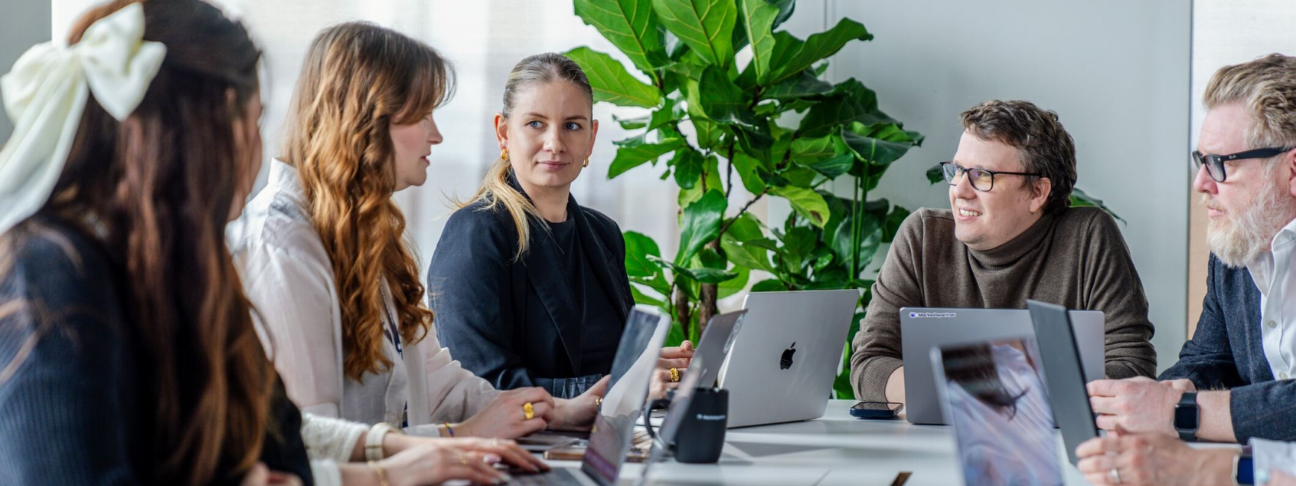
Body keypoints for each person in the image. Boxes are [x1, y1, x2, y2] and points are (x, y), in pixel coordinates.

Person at [233, 23, 601, 446]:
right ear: (367, 118)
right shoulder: (282, 244)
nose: (436, 134)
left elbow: (441, 385)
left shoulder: (365, 232)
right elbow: (310, 443)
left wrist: (554, 413)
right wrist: (458, 436)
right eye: (423, 114)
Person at [0, 1, 307, 483]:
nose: (259, 149)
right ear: (215, 121)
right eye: (256, 121)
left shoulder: (187, 266)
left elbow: (285, 450)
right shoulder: (48, 272)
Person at [1075, 53, 1296, 485]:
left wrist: (1181, 413)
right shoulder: (1239, 245)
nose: (1201, 183)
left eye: (1220, 164)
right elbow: (1208, 359)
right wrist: (1160, 397)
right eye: (1201, 161)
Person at [849, 99, 1158, 405]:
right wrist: (979, 394)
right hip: (931, 441)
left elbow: (1131, 369)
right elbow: (869, 363)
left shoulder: (1088, 237)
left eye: (983, 175)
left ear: (1037, 192)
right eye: (957, 170)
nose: (959, 190)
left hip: (1057, 447)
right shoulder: (923, 235)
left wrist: (961, 390)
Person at [427, 53, 693, 400]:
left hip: (604, 439)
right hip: (522, 447)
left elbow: (608, 368)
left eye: (572, 125)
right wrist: (617, 388)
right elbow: (480, 385)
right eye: (536, 123)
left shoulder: (603, 234)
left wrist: (652, 369)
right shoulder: (476, 234)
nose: (555, 143)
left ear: (591, 138)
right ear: (504, 133)